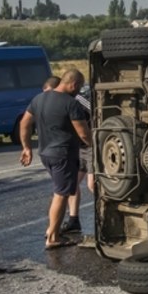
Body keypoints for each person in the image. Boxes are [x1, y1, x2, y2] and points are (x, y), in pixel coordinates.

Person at [19, 70, 91, 249]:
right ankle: (52, 237)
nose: (79, 90)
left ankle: (54, 232)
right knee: (61, 195)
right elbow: (83, 133)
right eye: (79, 87)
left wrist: (27, 147)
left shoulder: (38, 99)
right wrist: (97, 146)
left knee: (61, 191)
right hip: (63, 154)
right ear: (73, 84)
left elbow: (24, 123)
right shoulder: (70, 103)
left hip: (45, 153)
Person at [60, 83, 94, 236]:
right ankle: (74, 220)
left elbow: (95, 112)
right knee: (72, 182)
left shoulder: (79, 99)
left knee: (93, 185)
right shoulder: (60, 102)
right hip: (78, 147)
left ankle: (109, 216)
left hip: (92, 143)